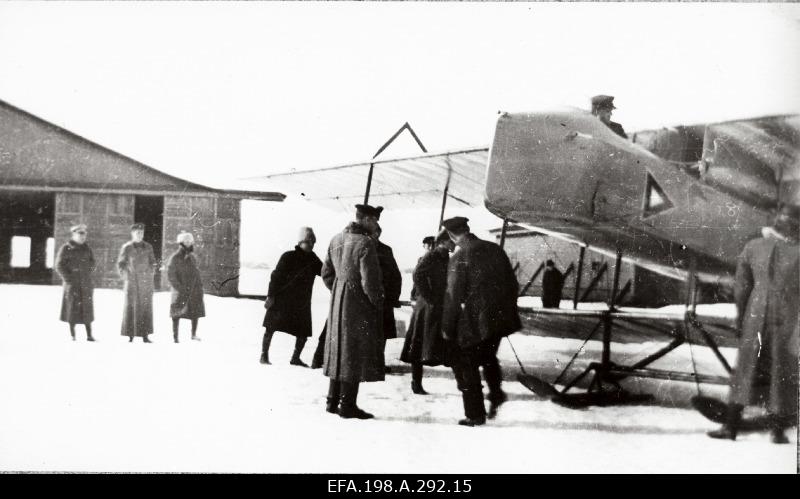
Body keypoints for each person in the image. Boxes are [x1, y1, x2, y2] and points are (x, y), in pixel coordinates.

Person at [707, 204, 799, 444]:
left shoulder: (753, 246)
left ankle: (730, 426)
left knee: (746, 368)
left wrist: (742, 317)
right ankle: (777, 431)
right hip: (787, 314)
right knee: (782, 369)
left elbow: (741, 288)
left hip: (756, 313)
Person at [441, 216, 522, 426]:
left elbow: (453, 297)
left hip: (476, 321)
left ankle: (475, 414)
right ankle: (496, 393)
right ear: (467, 229)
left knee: (466, 364)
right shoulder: (495, 249)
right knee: (488, 357)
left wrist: (448, 327)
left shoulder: (459, 258)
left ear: (451, 235)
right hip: (500, 320)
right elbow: (513, 284)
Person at [321, 204, 385, 419]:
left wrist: (340, 290)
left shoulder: (336, 239)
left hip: (338, 304)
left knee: (338, 350)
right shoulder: (366, 243)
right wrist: (377, 304)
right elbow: (371, 282)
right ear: (365, 219)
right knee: (354, 352)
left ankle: (332, 401)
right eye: (374, 220)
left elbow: (326, 273)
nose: (376, 224)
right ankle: (347, 406)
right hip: (358, 306)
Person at [400, 229, 455, 394]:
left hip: (441, 306)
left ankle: (466, 383)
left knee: (450, 345)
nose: (454, 244)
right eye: (451, 240)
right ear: (444, 242)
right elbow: (418, 275)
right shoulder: (432, 256)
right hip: (428, 309)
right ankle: (416, 383)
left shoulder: (447, 257)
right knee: (419, 347)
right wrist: (429, 298)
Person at [261, 227, 323, 366]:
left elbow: (324, 271)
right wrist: (270, 296)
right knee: (270, 328)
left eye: (313, 242)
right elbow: (275, 277)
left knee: (303, 334)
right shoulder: (288, 256)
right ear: (301, 242)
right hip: (282, 300)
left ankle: (295, 358)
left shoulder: (313, 259)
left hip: (301, 303)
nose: (311, 245)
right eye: (308, 241)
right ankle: (264, 356)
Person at [55, 224, 96, 342]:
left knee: (87, 310)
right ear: (74, 235)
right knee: (72, 309)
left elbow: (93, 263)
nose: (82, 236)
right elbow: (59, 265)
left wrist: (87, 274)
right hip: (72, 284)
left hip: (86, 283)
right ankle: (73, 335)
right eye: (80, 234)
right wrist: (68, 279)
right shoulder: (66, 248)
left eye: (84, 234)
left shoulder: (87, 248)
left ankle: (89, 335)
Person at [118, 223, 158, 343]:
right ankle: (130, 335)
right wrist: (127, 276)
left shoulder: (148, 247)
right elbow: (121, 264)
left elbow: (153, 262)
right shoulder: (127, 247)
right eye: (137, 233)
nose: (139, 235)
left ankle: (145, 335)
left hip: (145, 282)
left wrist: (151, 273)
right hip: (132, 282)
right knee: (131, 308)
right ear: (132, 234)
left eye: (141, 233)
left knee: (145, 308)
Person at [371, 223, 402, 373]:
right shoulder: (361, 247)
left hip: (383, 298)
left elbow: (395, 275)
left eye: (377, 232)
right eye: (373, 232)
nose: (375, 235)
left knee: (381, 332)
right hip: (366, 299)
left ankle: (378, 363)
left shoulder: (385, 250)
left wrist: (394, 296)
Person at [166, 232, 205, 343]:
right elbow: (171, 275)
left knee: (195, 312)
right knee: (176, 313)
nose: (188, 243)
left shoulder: (192, 257)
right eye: (185, 241)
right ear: (181, 242)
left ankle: (193, 334)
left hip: (194, 290)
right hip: (179, 290)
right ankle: (175, 337)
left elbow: (196, 273)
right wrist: (179, 287)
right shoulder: (175, 258)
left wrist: (199, 287)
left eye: (189, 241)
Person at [410, 236, 435, 302]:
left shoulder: (438, 260)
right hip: (421, 297)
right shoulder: (421, 260)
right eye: (426, 246)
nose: (429, 248)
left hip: (429, 297)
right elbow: (416, 280)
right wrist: (413, 295)